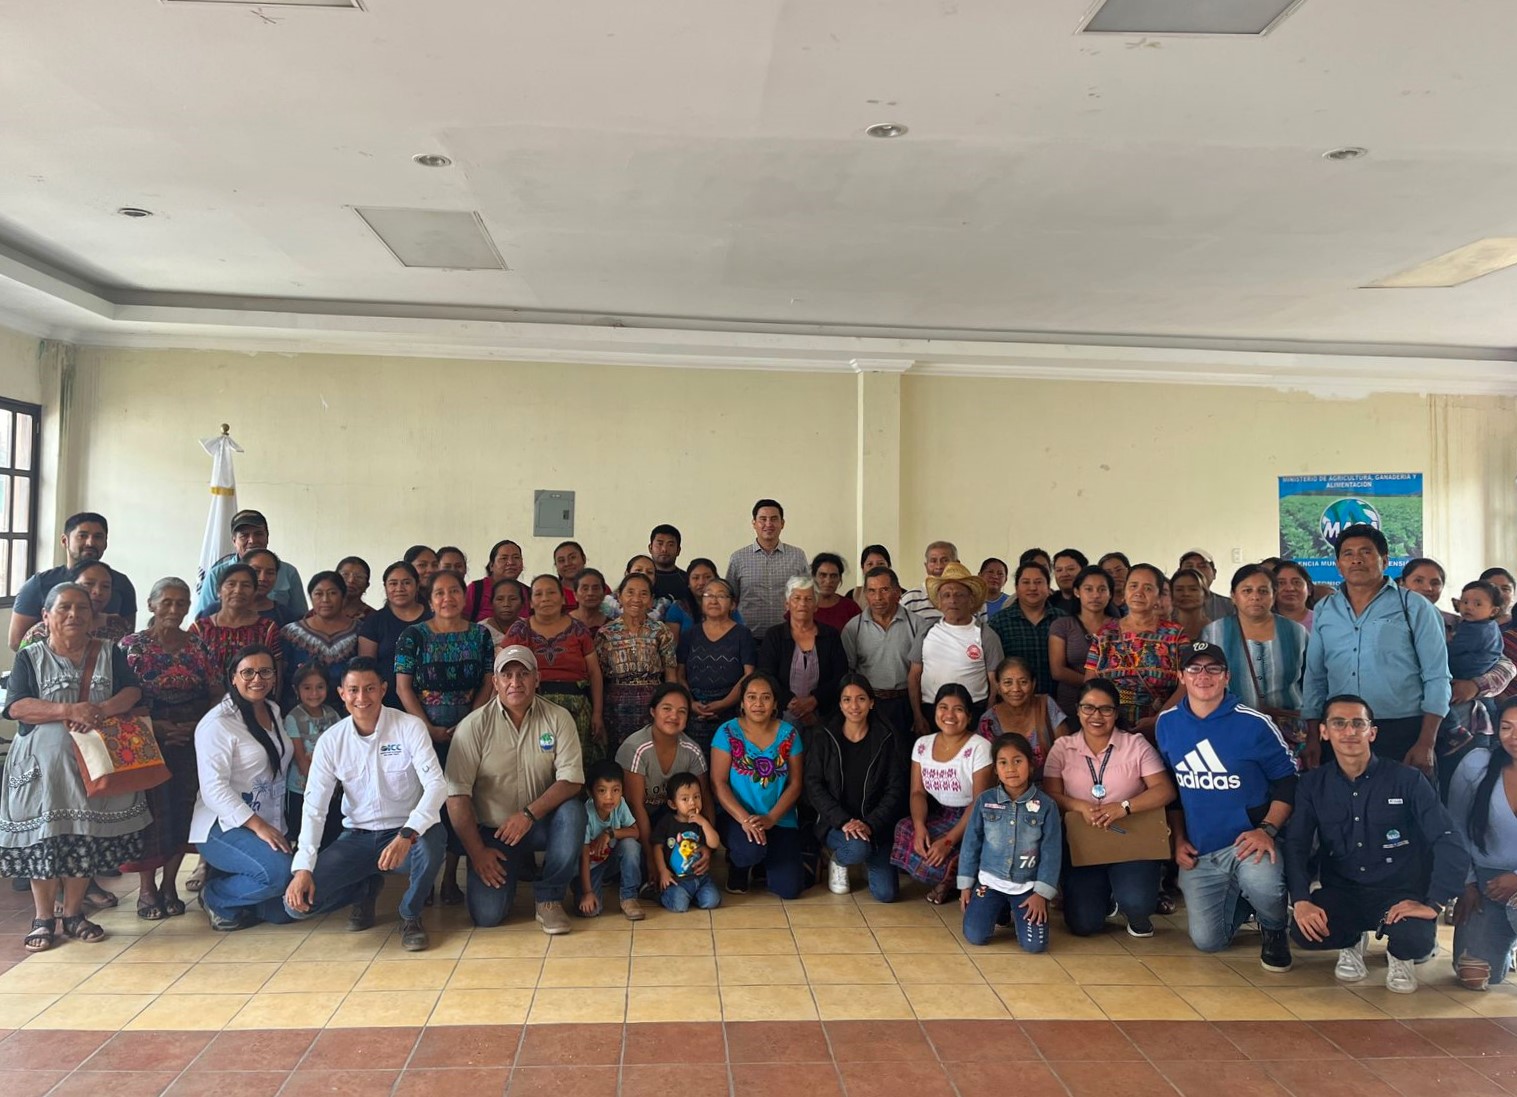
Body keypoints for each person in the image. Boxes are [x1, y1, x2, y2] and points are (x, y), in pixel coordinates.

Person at [1286, 694, 1469, 994]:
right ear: (1323, 732)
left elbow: (1448, 840)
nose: (1349, 732)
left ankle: (1400, 956)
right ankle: (1351, 941)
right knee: (1304, 931)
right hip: (1343, 891)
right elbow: (1296, 845)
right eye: (1339, 723)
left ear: (1372, 732)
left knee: (1416, 938)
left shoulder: (1407, 780)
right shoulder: (1312, 784)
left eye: (1358, 723)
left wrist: (1434, 902)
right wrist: (1301, 899)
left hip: (1399, 893)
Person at [2, 582, 148, 951]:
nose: (73, 615)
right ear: (46, 616)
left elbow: (132, 692)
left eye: (81, 608)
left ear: (92, 616)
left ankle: (74, 914)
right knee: (45, 839)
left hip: (93, 765)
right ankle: (43, 917)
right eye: (64, 607)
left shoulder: (109, 652)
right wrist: (68, 710)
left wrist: (99, 711)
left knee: (85, 836)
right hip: (42, 771)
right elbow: (17, 706)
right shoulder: (29, 656)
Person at [282, 658, 447, 952]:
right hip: (357, 838)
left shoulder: (409, 727)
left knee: (434, 839)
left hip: (404, 834)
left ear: (383, 689)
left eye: (370, 689)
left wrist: (408, 833)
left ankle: (410, 914)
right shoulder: (331, 741)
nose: (362, 698)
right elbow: (314, 807)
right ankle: (364, 887)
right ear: (342, 693)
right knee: (296, 906)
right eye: (353, 690)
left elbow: (436, 785)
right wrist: (303, 867)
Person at [1155, 642, 1296, 971]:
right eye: (1194, 669)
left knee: (1264, 885)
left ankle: (1274, 927)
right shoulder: (1167, 724)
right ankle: (1245, 903)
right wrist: (1177, 839)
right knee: (1208, 942)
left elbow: (1289, 781)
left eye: (1213, 668)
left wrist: (1267, 830)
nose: (1204, 676)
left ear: (1227, 677)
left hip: (1249, 841)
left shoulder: (1255, 724)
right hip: (1202, 848)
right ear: (1182, 677)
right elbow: (1172, 789)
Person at [445, 645, 587, 934]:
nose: (515, 682)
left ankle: (549, 897)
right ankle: (511, 869)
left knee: (574, 812)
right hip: (494, 831)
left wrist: (528, 814)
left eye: (523, 674)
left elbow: (572, 780)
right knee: (487, 915)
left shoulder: (558, 718)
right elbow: (457, 797)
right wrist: (477, 853)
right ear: (494, 683)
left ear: (537, 679)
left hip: (541, 822)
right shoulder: (473, 727)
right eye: (506, 675)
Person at [1301, 524, 1451, 773]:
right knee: (1342, 808)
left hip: (1401, 729)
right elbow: (1315, 676)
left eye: (1366, 552)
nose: (1356, 559)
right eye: (1348, 554)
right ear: (1338, 564)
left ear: (1385, 560)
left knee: (1400, 808)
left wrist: (1426, 741)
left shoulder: (1414, 607)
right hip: (1340, 729)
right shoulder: (1325, 608)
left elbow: (1437, 676)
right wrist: (1313, 736)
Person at [119, 577, 223, 920]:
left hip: (192, 738)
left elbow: (215, 692)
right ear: (151, 604)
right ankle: (147, 889)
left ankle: (169, 886)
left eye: (181, 603)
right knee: (150, 815)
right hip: (145, 739)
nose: (174, 609)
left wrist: (198, 727)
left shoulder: (197, 645)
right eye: (166, 602)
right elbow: (120, 697)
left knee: (182, 810)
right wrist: (156, 728)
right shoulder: (130, 646)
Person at [1042, 678, 1177, 937]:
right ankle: (1107, 899)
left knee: (1137, 904)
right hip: (1085, 842)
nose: (1096, 716)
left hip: (1132, 841)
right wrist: (1077, 805)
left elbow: (1165, 790)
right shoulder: (1063, 748)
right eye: (1088, 708)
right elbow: (1051, 794)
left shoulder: (1135, 744)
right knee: (1084, 925)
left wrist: (1124, 807)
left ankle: (1136, 911)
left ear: (1116, 713)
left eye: (1105, 709)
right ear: (1078, 711)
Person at [394, 568, 495, 904]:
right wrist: (426, 727)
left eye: (454, 591)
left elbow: (488, 682)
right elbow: (403, 687)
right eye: (439, 593)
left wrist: (469, 722)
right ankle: (423, 880)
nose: (447, 598)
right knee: (424, 802)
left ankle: (452, 876)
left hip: (471, 725)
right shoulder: (413, 635)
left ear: (464, 596)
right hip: (422, 728)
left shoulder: (480, 635)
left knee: (462, 800)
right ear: (430, 599)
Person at [190, 645, 296, 931]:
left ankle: (251, 903)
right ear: (233, 677)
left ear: (274, 677)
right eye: (247, 672)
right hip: (223, 825)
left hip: (269, 820)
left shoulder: (273, 710)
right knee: (279, 876)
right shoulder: (217, 724)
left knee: (286, 909)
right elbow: (213, 788)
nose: (256, 679)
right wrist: (258, 825)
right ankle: (215, 897)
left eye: (265, 672)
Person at [958, 733, 1063, 952]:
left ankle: (1015, 910)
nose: (1011, 768)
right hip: (990, 882)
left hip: (1027, 887)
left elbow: (1051, 853)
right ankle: (1000, 909)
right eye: (1003, 762)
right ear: (995, 769)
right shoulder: (985, 801)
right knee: (975, 936)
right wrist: (966, 885)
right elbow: (971, 844)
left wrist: (1041, 895)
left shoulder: (1046, 806)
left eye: (1018, 761)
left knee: (1035, 946)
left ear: (1031, 765)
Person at [804, 674, 906, 901]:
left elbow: (895, 790)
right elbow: (813, 785)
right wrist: (844, 821)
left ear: (871, 702)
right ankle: (839, 859)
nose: (854, 706)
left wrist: (870, 824)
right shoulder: (824, 735)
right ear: (839, 704)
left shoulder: (886, 738)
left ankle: (862, 852)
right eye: (847, 699)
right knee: (858, 848)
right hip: (836, 823)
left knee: (886, 894)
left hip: (875, 827)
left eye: (861, 699)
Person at [890, 683, 994, 904]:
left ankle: (957, 872)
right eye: (943, 707)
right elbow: (917, 792)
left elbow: (979, 802)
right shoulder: (922, 745)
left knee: (960, 847)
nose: (949, 715)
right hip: (943, 815)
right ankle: (953, 873)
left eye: (958, 709)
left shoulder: (980, 747)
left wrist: (948, 841)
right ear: (935, 710)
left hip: (975, 818)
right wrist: (919, 827)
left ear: (968, 715)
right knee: (905, 828)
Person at [711, 672, 807, 898]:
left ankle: (765, 861)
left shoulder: (789, 734)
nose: (758, 704)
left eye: (765, 697)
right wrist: (745, 819)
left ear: (775, 703)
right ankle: (740, 866)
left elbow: (795, 784)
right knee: (749, 850)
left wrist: (771, 818)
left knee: (789, 890)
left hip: (778, 817)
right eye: (751, 697)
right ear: (742, 703)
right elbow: (718, 783)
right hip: (737, 818)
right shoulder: (727, 732)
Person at [1200, 564, 1310, 756]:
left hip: (1288, 734)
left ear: (1273, 595)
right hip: (1231, 732)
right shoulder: (1214, 633)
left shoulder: (1296, 632)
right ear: (1233, 596)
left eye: (1263, 591)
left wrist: (1314, 735)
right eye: (1247, 590)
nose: (1255, 596)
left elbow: (1311, 684)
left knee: (1289, 783)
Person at [1449, 699, 1517, 990]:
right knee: (1473, 977)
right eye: (1506, 727)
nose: (1513, 738)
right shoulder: (1477, 763)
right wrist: (1466, 883)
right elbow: (1454, 827)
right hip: (1486, 883)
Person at [505, 574, 605, 764]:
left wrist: (597, 713)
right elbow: (503, 673)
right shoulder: (519, 630)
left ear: (563, 598)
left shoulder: (579, 629)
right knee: (539, 766)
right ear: (531, 602)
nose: (545, 598)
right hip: (533, 708)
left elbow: (594, 673)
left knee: (575, 765)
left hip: (576, 707)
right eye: (538, 594)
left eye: (551, 592)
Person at [616, 683, 713, 872]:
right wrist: (652, 858)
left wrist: (706, 846)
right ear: (653, 711)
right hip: (634, 823)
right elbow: (635, 806)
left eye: (682, 711)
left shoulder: (691, 750)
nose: (674, 716)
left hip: (667, 822)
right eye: (666, 709)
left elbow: (705, 798)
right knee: (637, 859)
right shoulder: (636, 748)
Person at [1084, 563, 1186, 739]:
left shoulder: (1176, 635)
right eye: (1133, 586)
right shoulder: (1105, 634)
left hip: (1162, 727)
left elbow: (1187, 685)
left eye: (1148, 588)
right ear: (1124, 592)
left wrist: (1157, 720)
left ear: (1158, 597)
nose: (1139, 592)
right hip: (1110, 728)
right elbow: (1090, 685)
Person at [9, 511, 137, 651]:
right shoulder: (39, 584)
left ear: (106, 543)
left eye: (98, 537)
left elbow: (127, 639)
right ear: (65, 541)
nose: (90, 542)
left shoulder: (121, 583)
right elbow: (16, 642)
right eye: (82, 536)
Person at [908, 562, 1003, 734]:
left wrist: (987, 716)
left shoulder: (985, 635)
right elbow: (914, 676)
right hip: (931, 711)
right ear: (940, 601)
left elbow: (995, 681)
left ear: (971, 599)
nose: (952, 600)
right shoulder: (926, 631)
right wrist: (917, 715)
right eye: (946, 595)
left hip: (973, 711)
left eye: (959, 595)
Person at [841, 566, 925, 742]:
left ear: (897, 591)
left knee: (903, 757)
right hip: (870, 705)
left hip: (906, 703)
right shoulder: (853, 628)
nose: (878, 598)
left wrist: (918, 714)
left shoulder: (917, 625)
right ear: (865, 594)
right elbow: (848, 672)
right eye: (872, 591)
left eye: (884, 590)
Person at [596, 573, 678, 749]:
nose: (636, 599)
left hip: (652, 705)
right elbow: (599, 677)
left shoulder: (660, 631)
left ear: (651, 600)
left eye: (643, 594)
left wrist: (671, 707)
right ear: (619, 597)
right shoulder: (606, 633)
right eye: (630, 592)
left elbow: (671, 673)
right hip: (615, 706)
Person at [676, 578, 755, 752]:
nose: (713, 600)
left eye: (721, 596)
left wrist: (723, 703)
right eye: (708, 595)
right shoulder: (690, 634)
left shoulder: (743, 634)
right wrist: (691, 703)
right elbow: (679, 674)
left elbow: (749, 674)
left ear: (733, 604)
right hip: (695, 711)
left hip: (732, 711)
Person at [759, 575, 847, 729]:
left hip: (823, 714)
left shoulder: (830, 635)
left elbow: (840, 674)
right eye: (797, 598)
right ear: (787, 604)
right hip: (781, 714)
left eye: (808, 599)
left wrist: (814, 701)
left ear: (816, 605)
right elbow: (766, 674)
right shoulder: (774, 635)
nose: (802, 604)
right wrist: (792, 703)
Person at [194, 510, 306, 619]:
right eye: (244, 535)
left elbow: (301, 619)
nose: (252, 540)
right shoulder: (217, 574)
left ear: (267, 537)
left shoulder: (288, 572)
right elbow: (201, 622)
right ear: (234, 540)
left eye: (258, 534)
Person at [279, 570, 360, 712]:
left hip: (348, 711)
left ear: (343, 596)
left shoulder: (361, 631)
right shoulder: (291, 633)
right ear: (310, 597)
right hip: (299, 715)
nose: (325, 600)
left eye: (332, 593)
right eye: (318, 594)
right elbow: (282, 676)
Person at [725, 498, 809, 635]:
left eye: (774, 519)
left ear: (782, 523)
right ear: (754, 523)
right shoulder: (738, 558)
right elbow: (730, 599)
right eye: (763, 519)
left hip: (788, 636)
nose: (768, 524)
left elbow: (806, 595)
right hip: (748, 637)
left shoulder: (797, 556)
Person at [574, 759, 645, 921]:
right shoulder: (586, 814)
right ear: (590, 793)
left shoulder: (620, 805)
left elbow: (635, 832)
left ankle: (629, 897)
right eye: (601, 791)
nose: (609, 797)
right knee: (590, 911)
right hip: (590, 867)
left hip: (610, 860)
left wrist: (610, 834)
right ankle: (580, 887)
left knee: (631, 846)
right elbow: (584, 857)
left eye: (615, 790)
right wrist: (587, 893)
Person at [356, 561, 432, 708]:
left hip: (432, 703)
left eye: (406, 583)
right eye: (393, 583)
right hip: (388, 704)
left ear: (417, 586)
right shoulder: (375, 621)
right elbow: (366, 669)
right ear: (385, 587)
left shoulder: (432, 618)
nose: (399, 588)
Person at [283, 663, 342, 849]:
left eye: (320, 687)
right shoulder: (293, 718)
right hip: (303, 790)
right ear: (296, 689)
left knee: (329, 834)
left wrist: (335, 785)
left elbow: (341, 750)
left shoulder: (333, 715)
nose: (314, 693)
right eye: (307, 688)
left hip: (331, 789)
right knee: (305, 838)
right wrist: (324, 786)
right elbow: (301, 760)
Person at [189, 563, 283, 677]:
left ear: (254, 592)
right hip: (207, 694)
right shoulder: (199, 629)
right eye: (231, 584)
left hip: (256, 693)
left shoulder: (267, 629)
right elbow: (190, 671)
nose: (238, 590)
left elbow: (275, 673)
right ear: (219, 591)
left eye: (246, 585)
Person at [977, 657, 1066, 777]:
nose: (1016, 689)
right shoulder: (988, 721)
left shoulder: (1046, 706)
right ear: (998, 686)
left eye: (1023, 682)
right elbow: (986, 767)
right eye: (1008, 682)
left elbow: (1066, 752)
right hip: (1006, 790)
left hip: (1049, 786)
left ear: (1033, 684)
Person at [18, 558, 132, 648]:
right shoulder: (40, 633)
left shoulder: (117, 629)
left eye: (106, 586)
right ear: (70, 585)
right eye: (88, 584)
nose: (98, 591)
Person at [987, 562, 1063, 696]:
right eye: (1026, 582)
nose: (1032, 587)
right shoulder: (998, 622)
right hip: (1013, 703)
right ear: (1016, 587)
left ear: (1048, 587)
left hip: (1057, 702)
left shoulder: (1063, 620)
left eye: (1038, 582)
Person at [1049, 566, 1113, 722]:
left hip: (1111, 704)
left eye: (1102, 589)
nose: (1096, 595)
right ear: (1077, 592)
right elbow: (1057, 670)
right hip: (1071, 703)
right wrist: (1093, 685)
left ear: (1110, 594)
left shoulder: (1121, 626)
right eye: (1088, 589)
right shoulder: (1062, 625)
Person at [652, 771, 722, 913]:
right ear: (673, 804)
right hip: (675, 880)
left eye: (696, 797)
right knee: (679, 906)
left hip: (700, 878)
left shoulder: (701, 822)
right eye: (685, 799)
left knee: (712, 900)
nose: (692, 802)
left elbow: (714, 844)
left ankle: (692, 896)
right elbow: (657, 847)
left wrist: (704, 823)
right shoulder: (667, 822)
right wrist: (662, 871)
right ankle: (659, 895)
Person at [664, 558, 747, 637]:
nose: (701, 583)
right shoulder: (678, 608)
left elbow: (740, 634)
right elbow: (672, 645)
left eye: (707, 577)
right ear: (688, 582)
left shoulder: (726, 606)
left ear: (716, 579)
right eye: (696, 578)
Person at [1450, 580, 1504, 684]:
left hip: (1465, 681)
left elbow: (1449, 650)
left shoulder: (1478, 630)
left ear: (1493, 611)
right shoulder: (1490, 625)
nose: (1469, 607)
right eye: (1465, 602)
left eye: (1478, 604)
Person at [464, 539, 527, 623]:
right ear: (491, 565)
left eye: (516, 557)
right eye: (504, 558)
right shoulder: (476, 590)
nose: (511, 562)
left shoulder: (528, 592)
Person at [901, 541, 958, 624]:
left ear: (957, 564)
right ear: (926, 565)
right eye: (933, 561)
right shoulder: (910, 600)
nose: (939, 566)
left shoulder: (969, 598)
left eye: (945, 560)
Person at [812, 552, 863, 632]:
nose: (828, 581)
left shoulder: (850, 608)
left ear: (840, 578)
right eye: (823, 575)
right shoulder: (803, 605)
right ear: (814, 576)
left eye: (833, 576)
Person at [1179, 548, 1233, 621]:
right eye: (1189, 566)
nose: (1195, 570)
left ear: (1214, 573)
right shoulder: (1168, 604)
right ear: (1179, 573)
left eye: (1202, 566)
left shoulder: (1230, 606)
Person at [649, 523, 688, 605]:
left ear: (678, 550)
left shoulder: (687, 580)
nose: (664, 549)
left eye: (670, 545)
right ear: (650, 548)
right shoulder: (641, 578)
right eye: (660, 544)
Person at [1169, 568, 1211, 643]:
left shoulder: (1215, 630)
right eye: (1179, 589)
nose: (1186, 594)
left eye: (1193, 589)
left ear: (1205, 594)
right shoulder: (1164, 630)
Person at [1273, 560, 1316, 632]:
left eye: (1296, 582)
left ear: (1309, 589)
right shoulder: (1261, 623)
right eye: (1281, 583)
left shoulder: (1322, 621)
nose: (1290, 588)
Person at [480, 579, 524, 647]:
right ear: (491, 603)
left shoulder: (531, 627)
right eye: (500, 599)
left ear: (522, 603)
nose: (506, 604)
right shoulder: (480, 630)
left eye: (513, 599)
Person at [847, 545, 892, 611]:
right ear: (862, 568)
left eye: (881, 564)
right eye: (870, 564)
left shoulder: (903, 594)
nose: (875, 568)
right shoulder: (853, 595)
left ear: (889, 566)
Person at [570, 569, 611, 639]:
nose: (590, 593)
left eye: (595, 588)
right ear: (575, 595)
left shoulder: (611, 626)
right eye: (585, 589)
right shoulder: (563, 623)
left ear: (604, 594)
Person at [1049, 549, 1088, 616]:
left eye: (1070, 569)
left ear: (1084, 570)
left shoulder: (1093, 600)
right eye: (1059, 570)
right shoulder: (1049, 603)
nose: (1064, 574)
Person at [336, 556, 375, 621]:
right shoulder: (318, 614)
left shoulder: (376, 618)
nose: (351, 580)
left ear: (367, 585)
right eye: (345, 574)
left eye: (359, 577)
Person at [552, 540, 586, 609]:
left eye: (572, 557)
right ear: (556, 565)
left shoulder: (599, 588)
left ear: (584, 559)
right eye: (561, 560)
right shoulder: (551, 593)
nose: (567, 563)